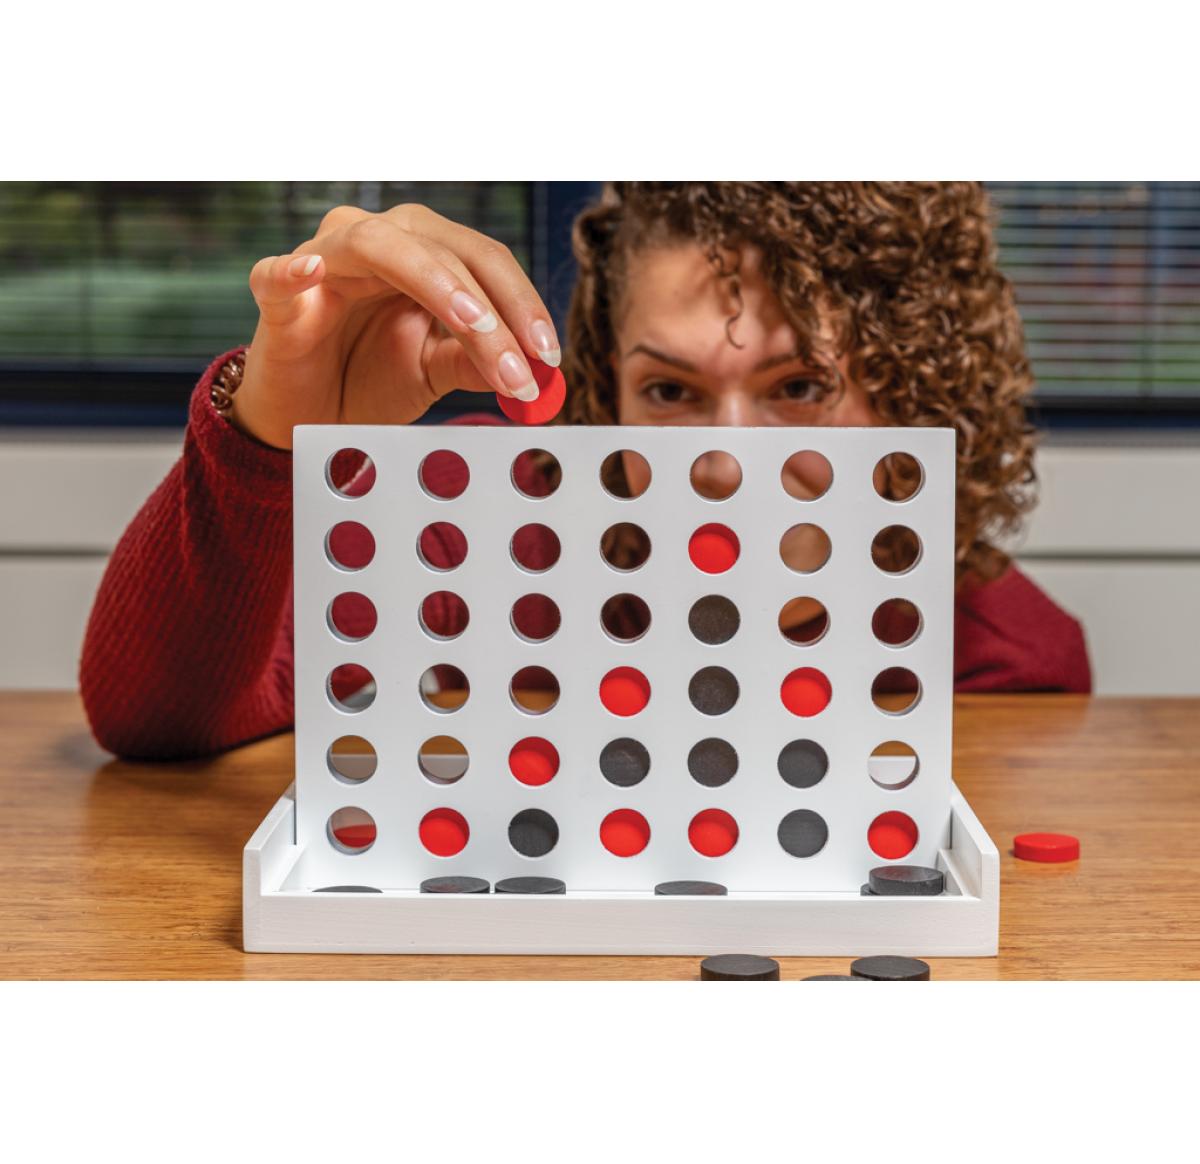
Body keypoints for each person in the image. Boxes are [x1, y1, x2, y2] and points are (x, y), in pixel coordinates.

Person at [80, 182, 1091, 761]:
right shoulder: (482, 530)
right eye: (669, 390)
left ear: (913, 389)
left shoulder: (999, 654)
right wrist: (273, 432)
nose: (724, 466)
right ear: (607, 388)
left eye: (798, 386)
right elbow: (161, 720)